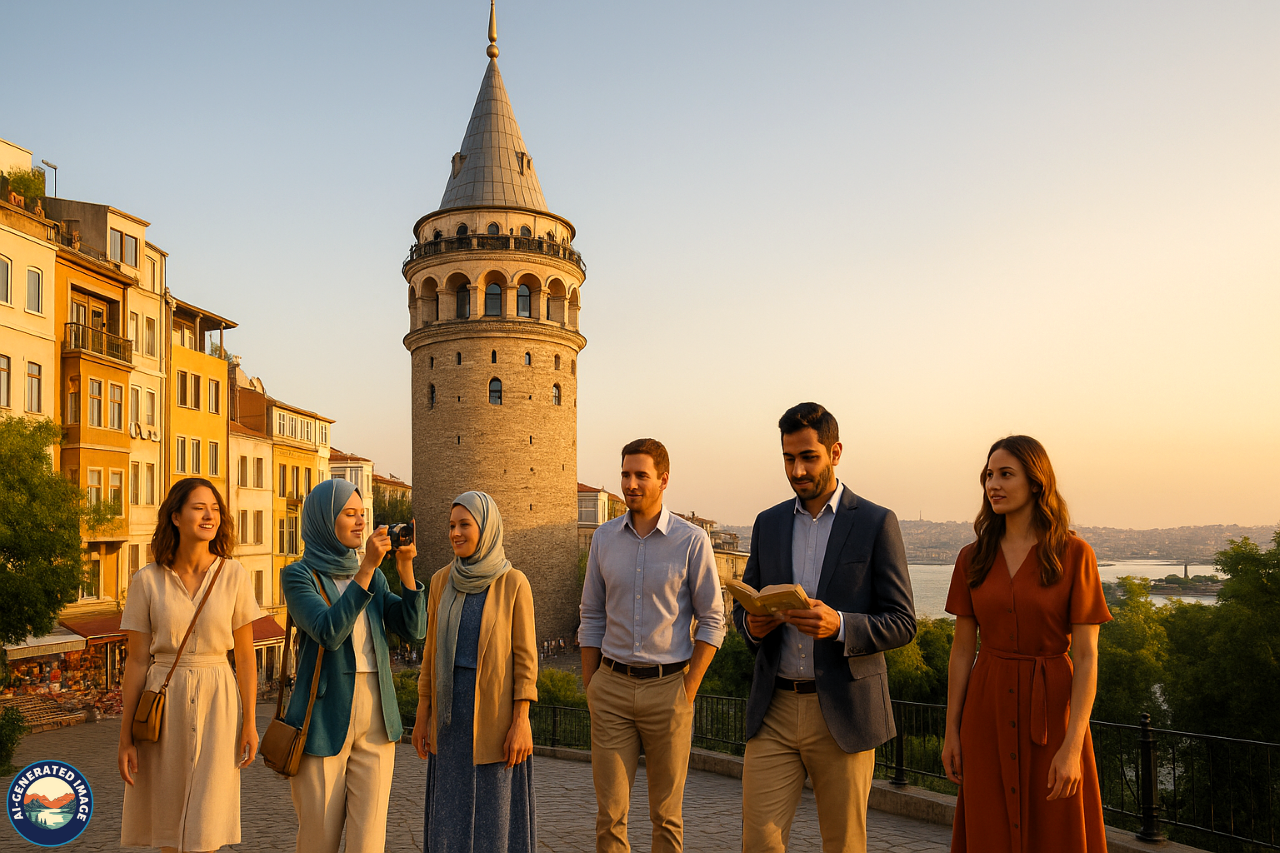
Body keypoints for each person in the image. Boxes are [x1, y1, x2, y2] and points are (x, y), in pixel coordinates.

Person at [732, 403, 916, 853]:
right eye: (788, 458)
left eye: (808, 457)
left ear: (835, 452)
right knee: (758, 844)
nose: (797, 470)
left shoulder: (876, 522)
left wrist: (840, 624)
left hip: (844, 711)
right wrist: (751, 623)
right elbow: (744, 606)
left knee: (844, 845)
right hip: (773, 709)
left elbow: (902, 621)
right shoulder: (768, 523)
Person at [941, 436, 1111, 853]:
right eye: (989, 475)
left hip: (1052, 712)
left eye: (1006, 474)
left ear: (1036, 483)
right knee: (990, 829)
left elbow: (1087, 657)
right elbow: (962, 651)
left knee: (1056, 828)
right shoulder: (972, 558)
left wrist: (1072, 746)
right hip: (986, 711)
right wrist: (952, 731)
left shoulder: (1075, 554)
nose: (993, 485)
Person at [578, 438, 726, 853]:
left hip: (669, 689)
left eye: (641, 475)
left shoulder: (691, 540)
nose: (631, 484)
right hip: (611, 688)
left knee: (666, 817)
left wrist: (687, 689)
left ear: (663, 480)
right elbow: (591, 615)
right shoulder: (603, 539)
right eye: (625, 474)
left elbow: (713, 620)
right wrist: (592, 687)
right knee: (610, 817)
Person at [282, 478, 427, 853]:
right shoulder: (300, 575)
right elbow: (328, 632)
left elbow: (415, 629)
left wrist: (405, 569)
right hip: (322, 719)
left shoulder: (374, 575)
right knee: (318, 841)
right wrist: (366, 569)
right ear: (324, 519)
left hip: (377, 717)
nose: (361, 521)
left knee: (369, 843)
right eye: (350, 514)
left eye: (363, 514)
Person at [118, 477, 262, 853]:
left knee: (207, 826)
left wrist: (250, 721)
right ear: (176, 516)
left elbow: (245, 656)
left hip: (219, 701)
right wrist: (125, 738)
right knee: (167, 824)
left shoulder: (234, 575)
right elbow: (136, 661)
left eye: (214, 509)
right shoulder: (146, 581)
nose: (209, 515)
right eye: (199, 508)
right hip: (163, 701)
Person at [413, 491, 538, 852]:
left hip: (496, 722)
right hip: (450, 720)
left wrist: (521, 721)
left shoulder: (513, 583)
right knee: (448, 820)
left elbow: (526, 662)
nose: (455, 533)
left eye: (464, 525)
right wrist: (422, 716)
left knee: (493, 821)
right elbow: (430, 654)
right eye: (451, 525)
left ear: (487, 528)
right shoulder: (441, 581)